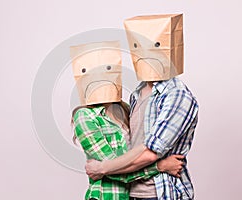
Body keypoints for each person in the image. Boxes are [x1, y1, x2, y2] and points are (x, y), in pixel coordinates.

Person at [85, 14, 199, 200]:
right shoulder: (138, 92)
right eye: (138, 46)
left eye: (155, 46)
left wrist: (102, 168)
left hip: (161, 193)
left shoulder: (177, 95)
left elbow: (150, 153)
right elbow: (131, 147)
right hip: (129, 191)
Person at [70, 41, 184, 200]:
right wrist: (160, 166)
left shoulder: (125, 108)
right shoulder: (85, 116)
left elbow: (135, 154)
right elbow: (113, 167)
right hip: (106, 196)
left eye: (108, 69)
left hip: (133, 195)